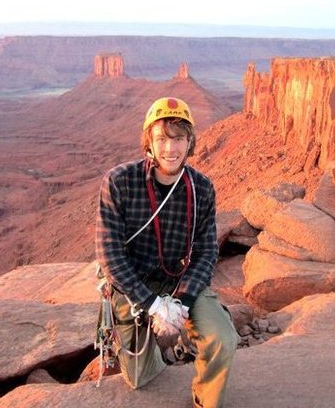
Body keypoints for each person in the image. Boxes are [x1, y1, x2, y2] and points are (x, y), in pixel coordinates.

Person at [95, 97, 238, 408]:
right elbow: (109, 255)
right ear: (149, 141)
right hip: (135, 284)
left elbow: (207, 251)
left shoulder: (201, 188)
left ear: (190, 142)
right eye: (161, 138)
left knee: (222, 340)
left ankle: (206, 400)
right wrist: (153, 305)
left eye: (178, 139)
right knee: (138, 377)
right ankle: (158, 344)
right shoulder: (120, 182)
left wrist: (181, 303)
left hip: (179, 281)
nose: (170, 148)